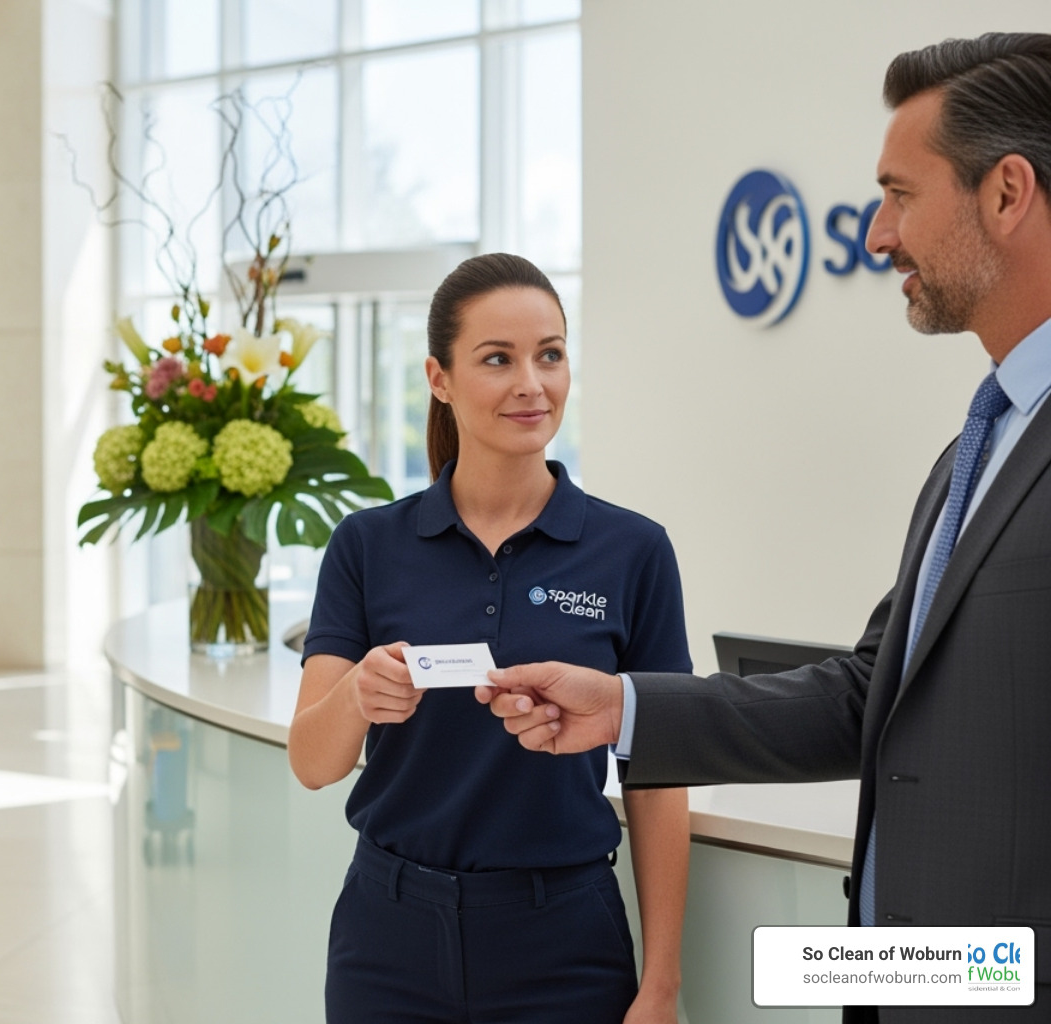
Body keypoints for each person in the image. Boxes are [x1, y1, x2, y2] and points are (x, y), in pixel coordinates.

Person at [478, 33, 1051, 1024]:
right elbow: (870, 695)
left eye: (900, 195)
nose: (877, 236)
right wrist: (622, 709)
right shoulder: (977, 447)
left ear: (1007, 194)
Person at [289, 253, 691, 1024]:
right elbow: (313, 762)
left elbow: (659, 774)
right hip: (388, 939)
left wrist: (662, 979)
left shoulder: (634, 552)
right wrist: (357, 695)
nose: (530, 384)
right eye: (497, 360)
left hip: (564, 943)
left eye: (550, 355)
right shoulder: (367, 545)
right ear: (439, 377)